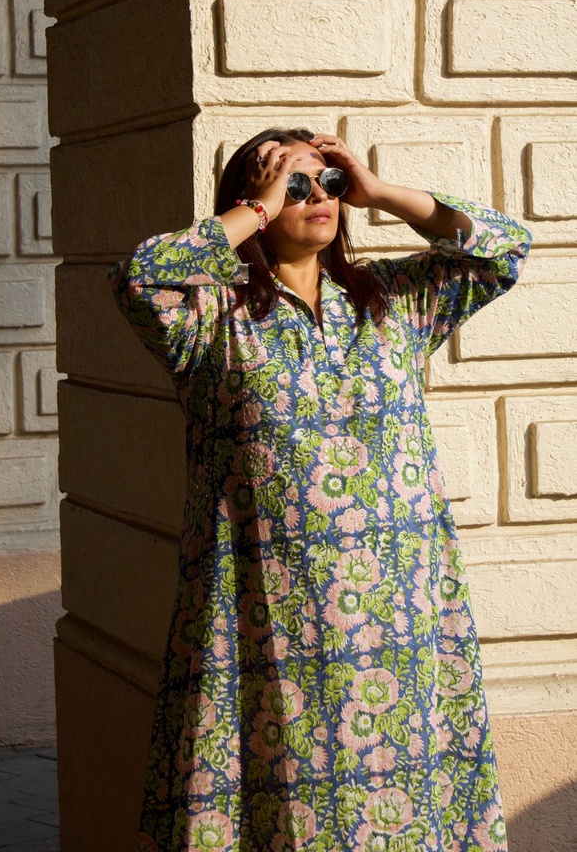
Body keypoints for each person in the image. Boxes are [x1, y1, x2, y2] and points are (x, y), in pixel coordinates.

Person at [108, 128, 531, 852]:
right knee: (284, 808)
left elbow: (503, 248)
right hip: (265, 616)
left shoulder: (393, 300)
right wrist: (260, 208)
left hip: (399, 617)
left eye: (325, 185)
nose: (317, 200)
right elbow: (138, 276)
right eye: (294, 186)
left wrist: (380, 191)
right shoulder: (209, 318)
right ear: (254, 202)